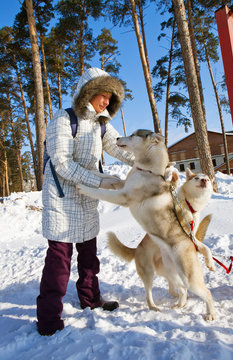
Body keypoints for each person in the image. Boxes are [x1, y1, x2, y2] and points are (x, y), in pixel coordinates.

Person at [37, 67, 134, 336]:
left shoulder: (101, 124)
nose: (106, 101)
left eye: (110, 97)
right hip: (62, 200)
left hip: (87, 199)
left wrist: (151, 163)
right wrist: (101, 181)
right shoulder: (63, 119)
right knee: (60, 262)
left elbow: (120, 147)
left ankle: (90, 299)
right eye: (102, 95)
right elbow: (63, 165)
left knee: (89, 256)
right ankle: (48, 318)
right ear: (88, 93)